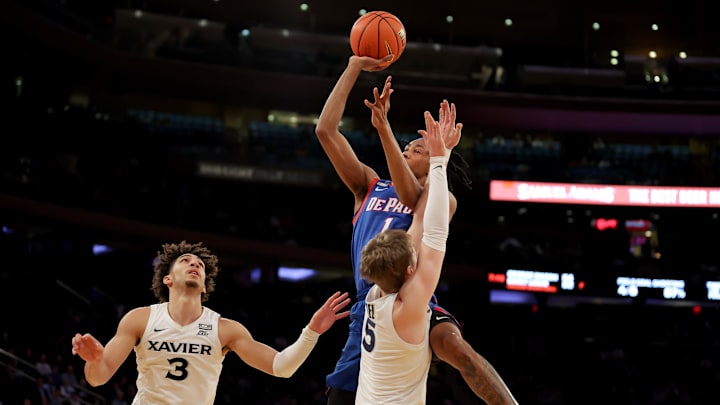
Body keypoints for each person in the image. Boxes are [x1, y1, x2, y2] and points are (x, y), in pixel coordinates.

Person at [315, 55, 518, 404]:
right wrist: (352, 67)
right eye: (405, 147)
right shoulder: (369, 186)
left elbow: (410, 195)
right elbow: (325, 130)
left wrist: (385, 130)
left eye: (417, 148)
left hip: (414, 295)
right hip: (370, 303)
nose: (408, 150)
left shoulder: (441, 199)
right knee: (342, 397)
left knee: (455, 347)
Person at [71, 240, 351, 405]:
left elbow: (282, 367)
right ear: (167, 278)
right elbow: (98, 378)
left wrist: (312, 331)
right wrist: (94, 360)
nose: (195, 264)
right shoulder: (140, 318)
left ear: (204, 286)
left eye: (200, 266)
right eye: (185, 261)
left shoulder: (225, 329)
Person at [357, 104, 453, 403]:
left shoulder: (375, 295)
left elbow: (424, 228)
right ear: (410, 271)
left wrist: (438, 159)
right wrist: (441, 158)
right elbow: (431, 227)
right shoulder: (408, 308)